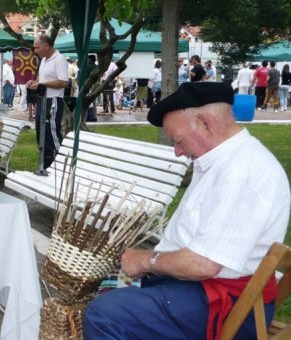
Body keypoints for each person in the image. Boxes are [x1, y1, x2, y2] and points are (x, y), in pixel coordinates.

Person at [83, 82, 290, 340]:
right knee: (101, 284)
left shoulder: (241, 172)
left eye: (178, 141)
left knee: (105, 314)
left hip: (224, 304)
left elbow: (203, 264)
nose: (177, 152)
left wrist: (145, 260)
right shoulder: (222, 161)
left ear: (205, 123)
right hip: (198, 287)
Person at [26, 35, 68, 169]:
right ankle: (45, 166)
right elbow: (44, 80)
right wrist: (36, 83)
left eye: (37, 47)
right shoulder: (43, 60)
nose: (35, 50)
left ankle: (63, 165)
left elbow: (63, 82)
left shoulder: (59, 59)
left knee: (52, 135)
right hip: (42, 100)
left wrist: (41, 84)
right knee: (41, 135)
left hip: (54, 101)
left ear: (47, 46)